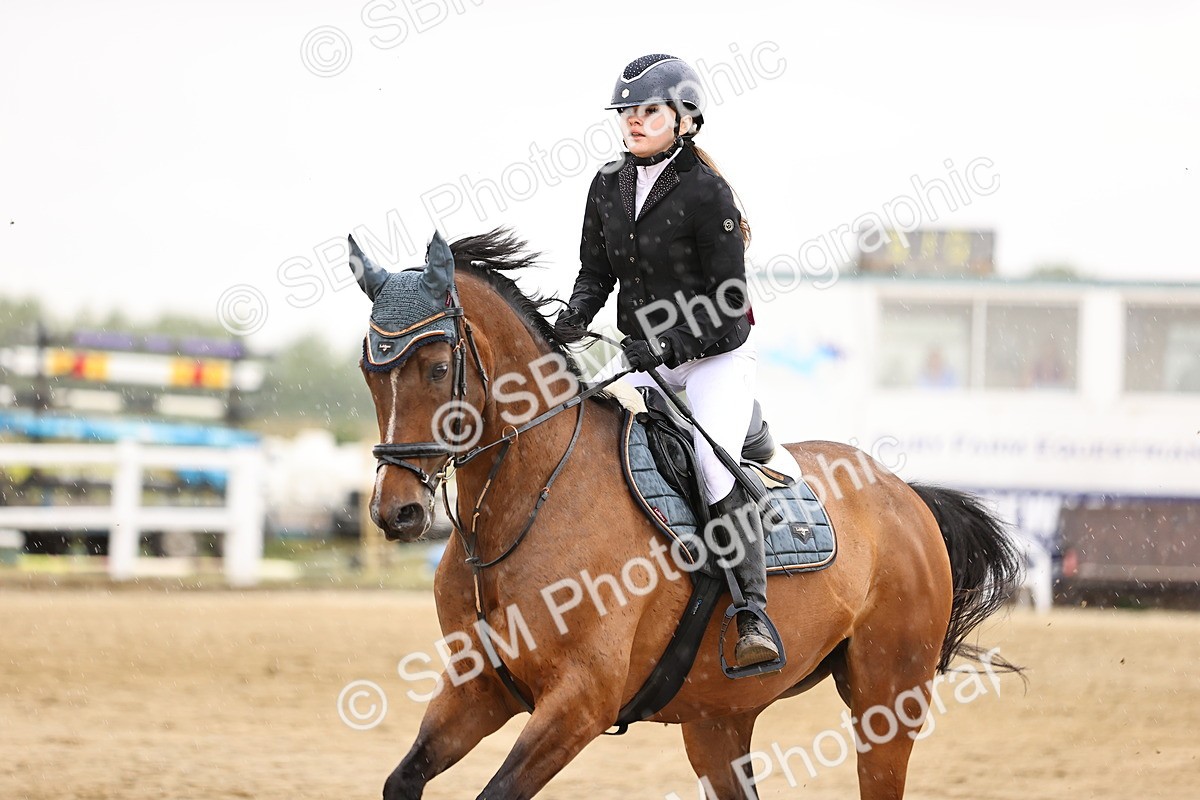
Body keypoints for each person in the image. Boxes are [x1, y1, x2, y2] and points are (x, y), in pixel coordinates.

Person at [554, 54, 778, 669]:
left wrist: (668, 347)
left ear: (683, 118)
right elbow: (596, 272)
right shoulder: (607, 183)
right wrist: (569, 323)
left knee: (710, 466)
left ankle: (753, 612)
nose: (633, 121)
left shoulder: (708, 193)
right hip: (642, 360)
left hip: (713, 359)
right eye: (626, 112)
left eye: (647, 110)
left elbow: (730, 305)